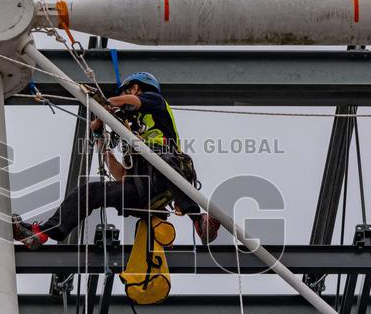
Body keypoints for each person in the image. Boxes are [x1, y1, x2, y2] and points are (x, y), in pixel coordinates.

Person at [13, 71, 221, 248]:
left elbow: (131, 102)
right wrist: (101, 144)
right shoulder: (131, 138)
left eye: (125, 92)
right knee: (89, 192)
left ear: (136, 87)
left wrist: (104, 106)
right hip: (141, 190)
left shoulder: (154, 101)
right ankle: (43, 233)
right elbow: (121, 175)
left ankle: (197, 219)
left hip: (165, 173)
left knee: (162, 160)